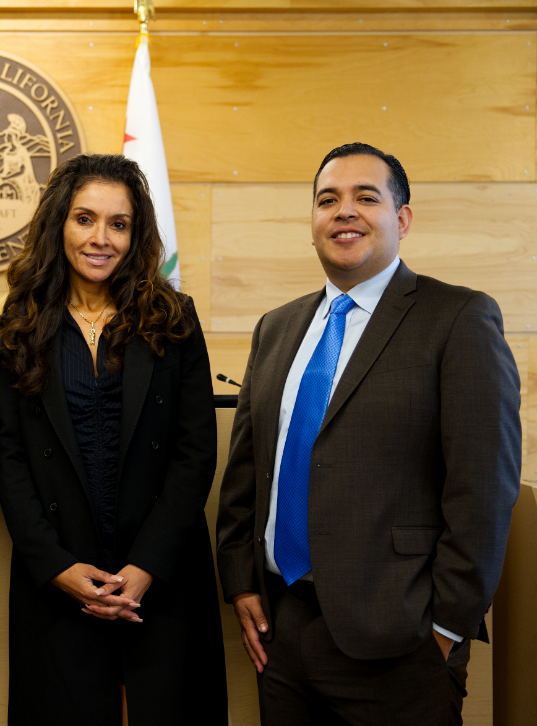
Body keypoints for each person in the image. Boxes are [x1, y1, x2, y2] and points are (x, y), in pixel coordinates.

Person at [215, 142, 521, 725]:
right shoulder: (276, 329)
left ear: (401, 220)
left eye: (366, 197)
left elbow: (483, 486)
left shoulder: (458, 319)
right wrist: (240, 582)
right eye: (327, 200)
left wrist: (446, 626)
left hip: (402, 640)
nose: (344, 211)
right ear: (312, 226)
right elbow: (248, 471)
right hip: (283, 631)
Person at [0, 153, 227, 725]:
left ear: (136, 232)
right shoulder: (23, 322)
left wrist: (146, 566)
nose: (101, 239)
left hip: (161, 574)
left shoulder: (173, 318)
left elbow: (195, 451)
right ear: (59, 225)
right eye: (85, 219)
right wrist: (57, 567)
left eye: (118, 224)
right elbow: (8, 456)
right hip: (59, 578)